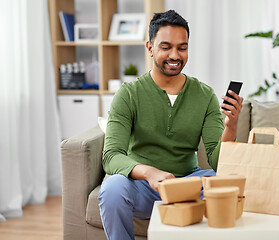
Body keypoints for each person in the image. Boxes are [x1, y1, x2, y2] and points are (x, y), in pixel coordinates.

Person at [98, 9, 243, 240]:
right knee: (113, 189)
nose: (174, 55)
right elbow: (112, 156)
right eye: (165, 47)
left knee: (229, 184)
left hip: (187, 185)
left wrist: (232, 125)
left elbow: (218, 162)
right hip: (143, 187)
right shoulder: (128, 94)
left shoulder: (204, 95)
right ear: (150, 48)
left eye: (182, 48)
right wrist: (149, 173)